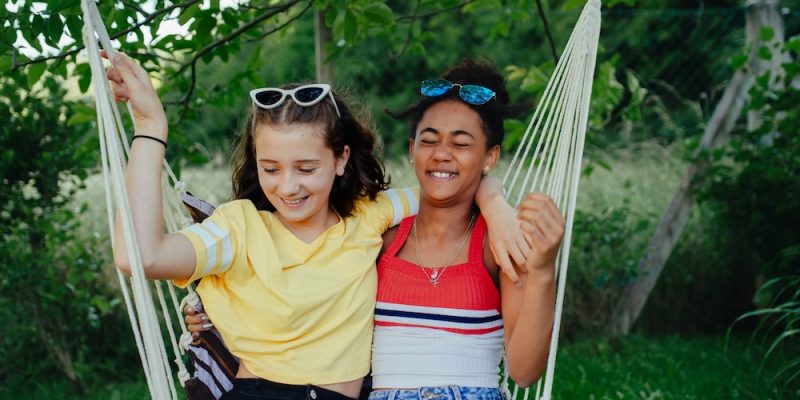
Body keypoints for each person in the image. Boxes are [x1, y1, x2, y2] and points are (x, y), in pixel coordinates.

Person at [106, 52, 523, 400]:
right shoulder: (238, 229)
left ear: (340, 159)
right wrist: (149, 129)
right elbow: (138, 256)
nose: (287, 187)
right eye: (270, 168)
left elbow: (450, 182)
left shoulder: (367, 216)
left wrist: (496, 205)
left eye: (306, 168)